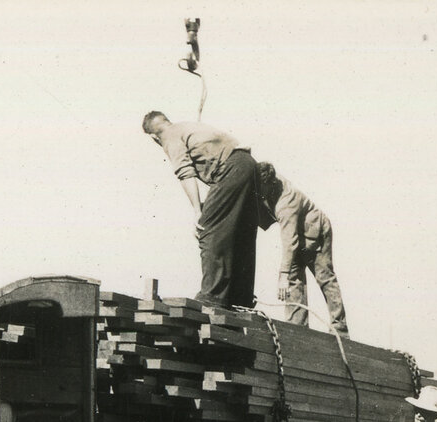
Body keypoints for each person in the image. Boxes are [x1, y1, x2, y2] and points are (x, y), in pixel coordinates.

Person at [142, 111, 259, 309]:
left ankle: (211, 297)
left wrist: (198, 211)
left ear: (154, 137)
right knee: (239, 233)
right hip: (249, 164)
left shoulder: (168, 136)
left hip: (231, 169)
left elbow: (184, 172)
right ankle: (241, 299)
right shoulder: (186, 126)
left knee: (207, 227)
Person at [257, 162, 348, 335]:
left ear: (271, 183)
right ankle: (296, 329)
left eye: (263, 188)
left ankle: (340, 330)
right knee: (293, 279)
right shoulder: (261, 181)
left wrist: (282, 275)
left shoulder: (286, 202)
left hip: (316, 233)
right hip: (298, 232)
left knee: (325, 277)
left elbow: (289, 240)